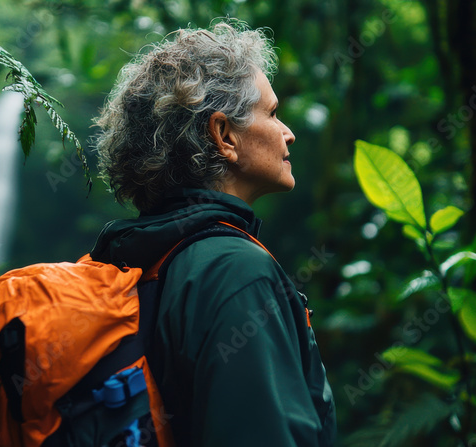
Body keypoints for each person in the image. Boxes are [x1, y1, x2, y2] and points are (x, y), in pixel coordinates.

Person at [89, 21, 337, 446]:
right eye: (274, 114)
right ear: (224, 136)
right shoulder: (237, 271)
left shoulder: (139, 258)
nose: (288, 132)